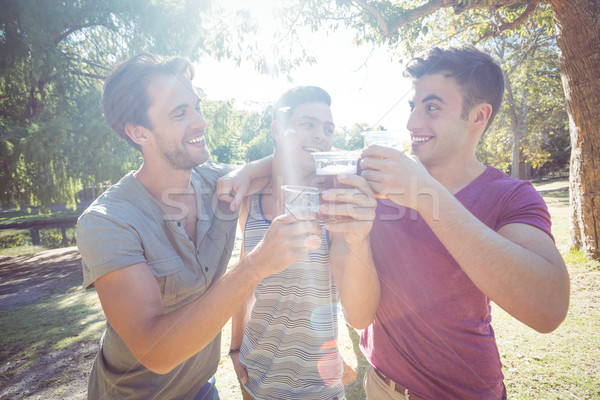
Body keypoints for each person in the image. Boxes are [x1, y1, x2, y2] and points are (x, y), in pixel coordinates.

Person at [76, 54, 324, 400]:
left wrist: (246, 170)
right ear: (138, 132)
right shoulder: (107, 222)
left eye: (197, 107)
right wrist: (256, 265)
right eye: (180, 113)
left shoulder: (221, 184)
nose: (199, 122)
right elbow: (155, 351)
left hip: (201, 390)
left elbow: (289, 159)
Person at [358, 46, 570, 400]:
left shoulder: (510, 196)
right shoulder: (384, 178)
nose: (412, 123)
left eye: (432, 107)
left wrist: (428, 196)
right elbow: (309, 154)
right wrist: (247, 173)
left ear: (477, 117)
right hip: (379, 385)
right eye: (413, 107)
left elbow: (548, 308)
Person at [227, 86, 380, 400]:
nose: (321, 135)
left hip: (318, 386)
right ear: (277, 130)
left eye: (327, 129)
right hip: (255, 380)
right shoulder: (250, 202)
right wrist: (235, 347)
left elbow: (358, 314)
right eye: (308, 124)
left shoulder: (335, 204)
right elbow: (244, 283)